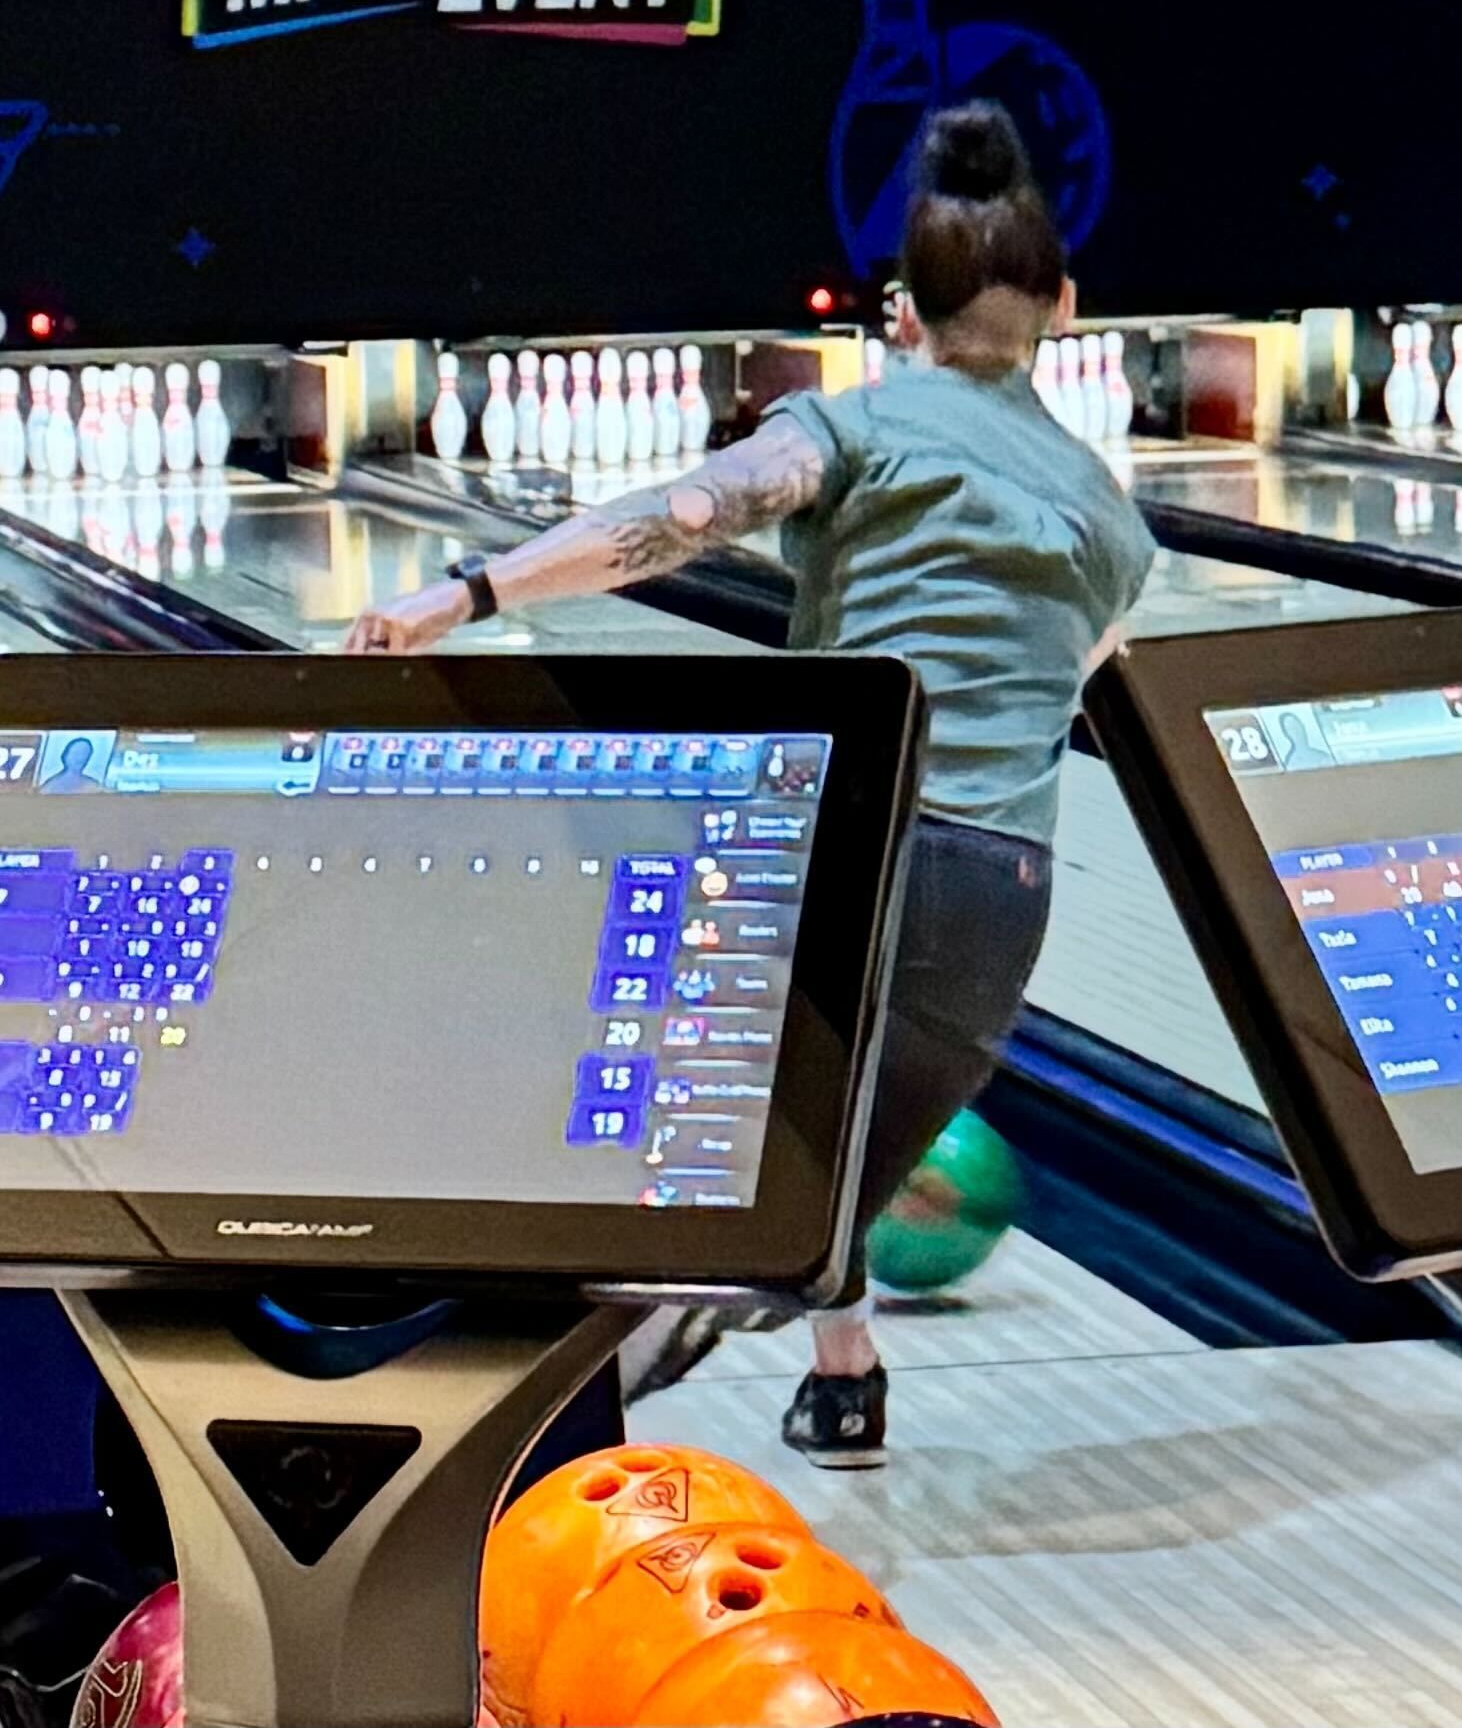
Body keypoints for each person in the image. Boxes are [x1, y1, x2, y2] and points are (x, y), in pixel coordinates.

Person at [344, 101, 1155, 1466]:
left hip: (837, 848)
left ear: (900, 314)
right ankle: (842, 1380)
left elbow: (676, 519)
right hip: (993, 903)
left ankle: (471, 1459)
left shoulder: (852, 432)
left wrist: (465, 589)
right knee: (809, 1187)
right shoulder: (1112, 521)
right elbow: (1078, 690)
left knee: (699, 1182)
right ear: (1065, 307)